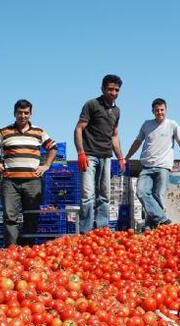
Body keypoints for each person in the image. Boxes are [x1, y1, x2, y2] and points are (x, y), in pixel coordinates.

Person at [0, 99, 57, 246]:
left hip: (33, 181)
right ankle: (12, 250)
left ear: (30, 114)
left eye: (26, 113)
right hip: (10, 182)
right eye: (20, 112)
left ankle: (27, 249)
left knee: (31, 215)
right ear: (14, 113)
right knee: (10, 217)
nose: (22, 116)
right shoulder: (4, 132)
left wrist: (46, 165)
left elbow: (53, 147)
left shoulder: (39, 132)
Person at [125, 98, 180, 229]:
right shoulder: (146, 125)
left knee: (158, 195)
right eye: (157, 110)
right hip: (146, 166)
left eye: (162, 110)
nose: (160, 112)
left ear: (166, 110)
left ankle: (150, 227)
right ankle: (163, 220)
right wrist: (127, 157)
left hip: (163, 167)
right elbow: (137, 142)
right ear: (152, 111)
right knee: (141, 192)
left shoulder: (172, 125)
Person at [74, 74, 126, 233]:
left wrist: (121, 157)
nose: (113, 92)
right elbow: (79, 128)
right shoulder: (92, 105)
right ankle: (86, 231)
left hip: (106, 156)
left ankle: (102, 229)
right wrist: (81, 153)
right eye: (110, 89)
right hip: (89, 155)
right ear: (103, 89)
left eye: (116, 90)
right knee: (88, 194)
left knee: (105, 195)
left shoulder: (116, 111)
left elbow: (114, 135)